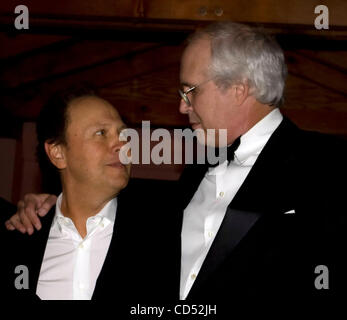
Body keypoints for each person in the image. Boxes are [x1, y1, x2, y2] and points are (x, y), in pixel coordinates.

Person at [5, 22, 347, 303]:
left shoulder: (327, 164)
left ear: (239, 89)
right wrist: (50, 205)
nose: (182, 107)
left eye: (190, 91)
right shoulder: (194, 174)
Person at [0, 89, 148, 302]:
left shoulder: (162, 233)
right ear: (58, 153)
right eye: (101, 133)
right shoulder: (18, 241)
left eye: (123, 134)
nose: (122, 145)